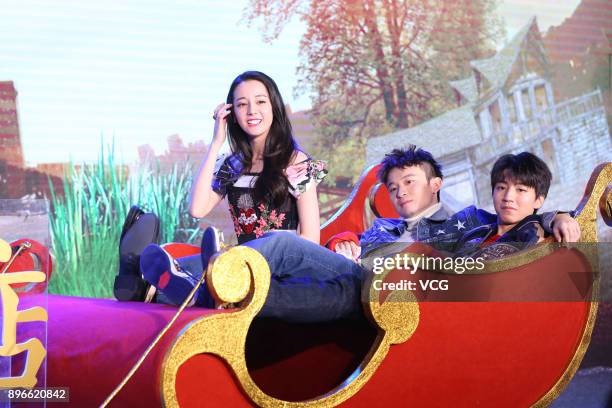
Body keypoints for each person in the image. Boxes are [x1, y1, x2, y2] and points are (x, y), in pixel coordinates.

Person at [133, 147, 581, 322]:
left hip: (391, 294)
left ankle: (201, 272)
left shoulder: (466, 219)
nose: (507, 197)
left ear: (435, 185)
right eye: (501, 187)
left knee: (287, 244)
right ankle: (179, 282)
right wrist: (342, 245)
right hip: (354, 284)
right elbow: (344, 250)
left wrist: (556, 216)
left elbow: (519, 236)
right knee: (277, 287)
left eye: (519, 191)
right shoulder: (385, 224)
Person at [114, 71, 327, 302]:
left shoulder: (296, 162)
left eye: (260, 102)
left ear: (274, 107)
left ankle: (166, 288)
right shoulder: (232, 164)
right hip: (239, 261)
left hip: (281, 264)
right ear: (232, 114)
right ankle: (139, 282)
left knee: (215, 265)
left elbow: (310, 239)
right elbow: (197, 209)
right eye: (242, 104)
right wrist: (216, 142)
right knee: (179, 268)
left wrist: (268, 259)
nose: (252, 111)